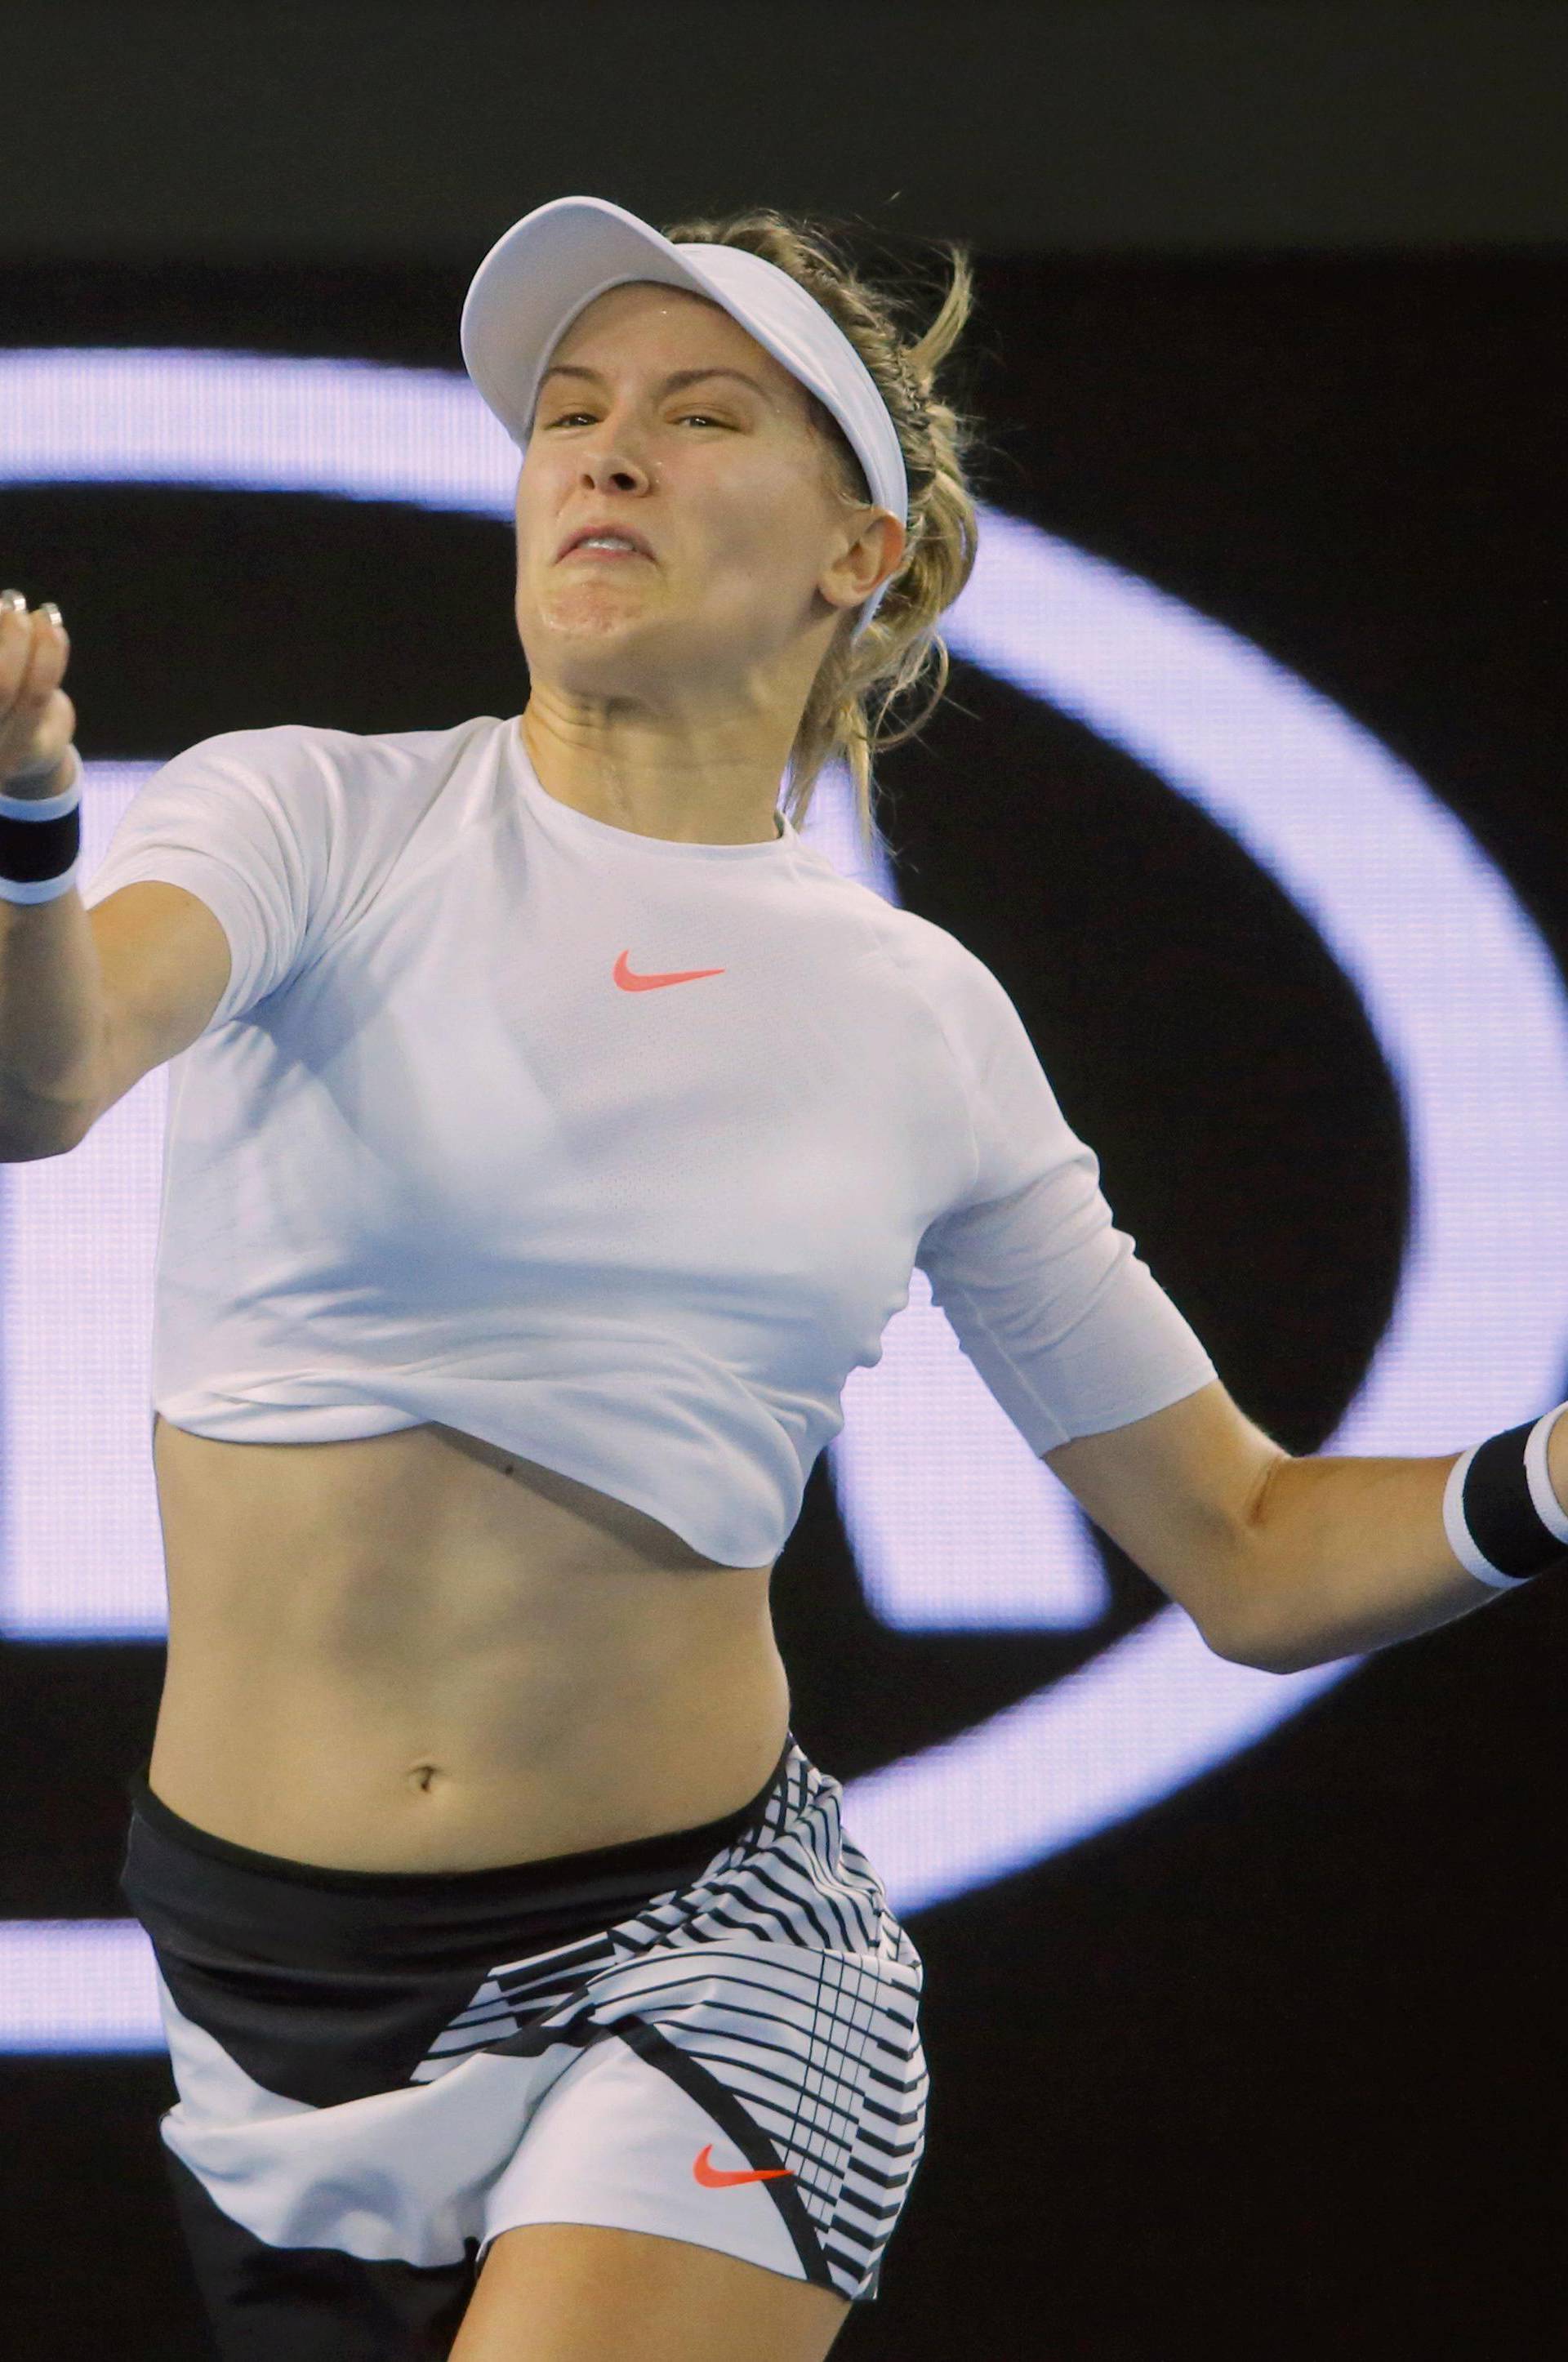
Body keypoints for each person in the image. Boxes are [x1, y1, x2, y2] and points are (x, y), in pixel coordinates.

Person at [2, 194, 1563, 2362]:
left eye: (700, 412)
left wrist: (1555, 1475)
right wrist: (22, 832)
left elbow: (1255, 1547)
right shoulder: (313, 819)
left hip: (710, 1965)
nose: (603, 454)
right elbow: (45, 1072)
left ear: (866, 553)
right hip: (269, 2007)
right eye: (571, 413)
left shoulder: (917, 1017)